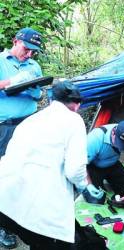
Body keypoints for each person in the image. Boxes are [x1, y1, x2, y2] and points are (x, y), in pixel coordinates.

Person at [0, 81, 103, 250]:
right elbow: (74, 170)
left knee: (36, 240)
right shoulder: (73, 120)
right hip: (39, 207)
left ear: (51, 100)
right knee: (51, 240)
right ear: (77, 105)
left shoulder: (31, 119)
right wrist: (85, 186)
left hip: (4, 198)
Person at [0, 27, 43, 249]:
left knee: (28, 172)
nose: (29, 55)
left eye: (33, 52)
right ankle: (3, 226)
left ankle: (25, 219)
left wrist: (35, 89)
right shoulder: (1, 62)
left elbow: (40, 94)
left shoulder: (34, 66)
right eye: (27, 49)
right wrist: (11, 82)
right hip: (5, 127)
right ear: (16, 41)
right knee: (5, 176)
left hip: (29, 124)